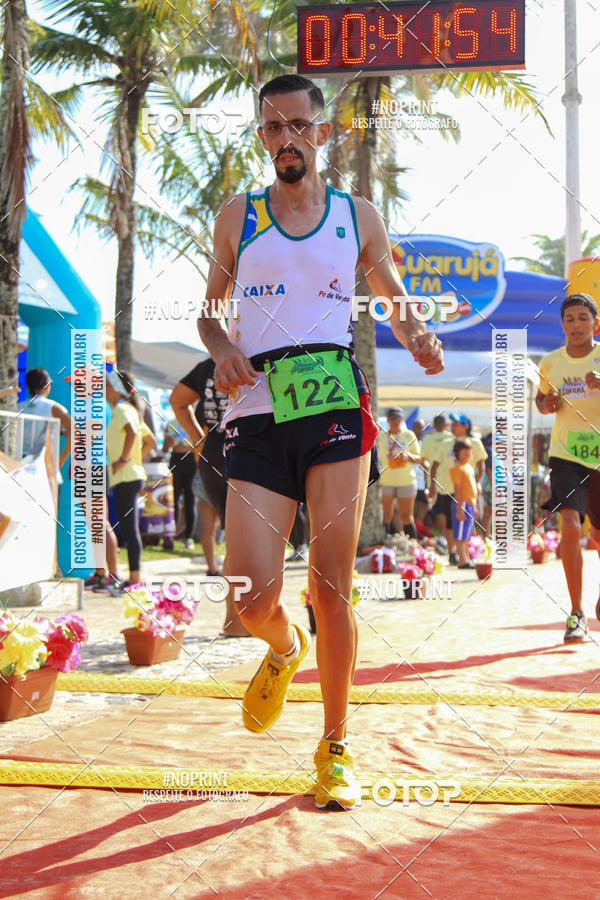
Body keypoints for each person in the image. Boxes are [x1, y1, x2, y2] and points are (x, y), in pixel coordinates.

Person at [197, 73, 444, 811]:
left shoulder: (357, 215)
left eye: (298, 126)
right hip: (258, 407)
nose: (286, 140)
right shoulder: (237, 217)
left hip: (333, 402)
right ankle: (281, 647)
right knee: (250, 593)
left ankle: (335, 745)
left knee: (330, 585)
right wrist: (220, 349)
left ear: (323, 133)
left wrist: (419, 332)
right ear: (263, 139)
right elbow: (210, 316)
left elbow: (394, 301)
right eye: (272, 129)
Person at [535, 293, 600, 642]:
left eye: (582, 318)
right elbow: (541, 400)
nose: (576, 324)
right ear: (562, 325)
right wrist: (547, 403)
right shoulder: (550, 363)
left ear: (595, 323)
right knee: (571, 525)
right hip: (565, 455)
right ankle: (576, 612)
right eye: (570, 319)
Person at [169, 357, 249, 636]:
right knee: (242, 537)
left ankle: (237, 620)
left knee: (236, 535)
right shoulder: (256, 355)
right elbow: (177, 400)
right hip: (243, 450)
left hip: (214, 452)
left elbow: (177, 400)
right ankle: (236, 621)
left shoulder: (207, 365)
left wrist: (200, 440)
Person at [105, 369, 147, 587]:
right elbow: (148, 440)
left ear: (116, 389)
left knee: (130, 529)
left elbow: (132, 433)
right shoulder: (130, 409)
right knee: (129, 528)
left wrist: (123, 459)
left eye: (107, 386)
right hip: (130, 476)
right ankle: (134, 578)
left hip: (126, 477)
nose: (104, 390)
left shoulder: (122, 409)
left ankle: (135, 579)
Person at [377, 407, 421, 538]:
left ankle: (413, 546)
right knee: (386, 515)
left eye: (398, 418)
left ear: (402, 419)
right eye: (392, 418)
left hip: (406, 482)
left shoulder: (409, 435)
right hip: (386, 482)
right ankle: (386, 545)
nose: (395, 421)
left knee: (406, 517)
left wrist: (408, 456)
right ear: (388, 420)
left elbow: (420, 459)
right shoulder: (381, 437)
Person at [18, 368, 71, 471]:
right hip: (45, 465)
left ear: (28, 387)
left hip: (20, 463)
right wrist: (62, 458)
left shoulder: (18, 407)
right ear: (47, 386)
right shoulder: (54, 408)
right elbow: (75, 431)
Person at [163, 417, 197, 550]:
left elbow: (200, 441)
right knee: (173, 498)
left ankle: (189, 537)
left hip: (191, 458)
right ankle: (171, 535)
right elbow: (165, 449)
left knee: (190, 498)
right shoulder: (170, 423)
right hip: (176, 459)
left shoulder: (194, 420)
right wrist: (168, 443)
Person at [449, 438, 477, 568]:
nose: (467, 452)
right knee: (460, 535)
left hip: (470, 504)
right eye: (464, 450)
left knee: (465, 534)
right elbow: (458, 490)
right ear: (457, 452)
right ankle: (462, 560)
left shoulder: (468, 467)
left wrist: (475, 507)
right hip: (462, 504)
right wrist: (459, 509)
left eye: (469, 449)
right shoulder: (457, 468)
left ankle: (466, 557)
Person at [411, 418, 430, 527]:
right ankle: (413, 530)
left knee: (423, 505)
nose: (418, 429)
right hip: (410, 481)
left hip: (421, 483)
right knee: (412, 507)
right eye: (416, 426)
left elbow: (426, 464)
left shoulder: (423, 445)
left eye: (421, 427)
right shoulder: (408, 443)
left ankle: (419, 528)